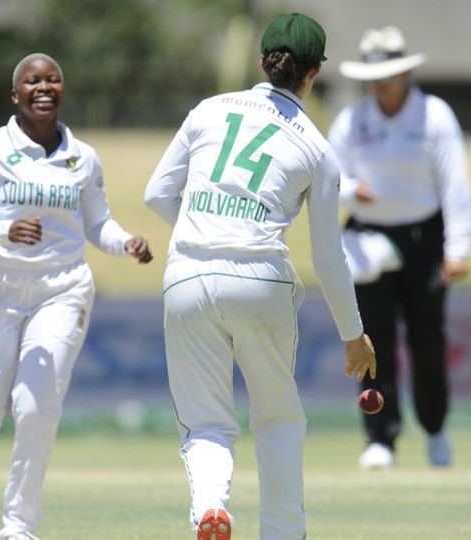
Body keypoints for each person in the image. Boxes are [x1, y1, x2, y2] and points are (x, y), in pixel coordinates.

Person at [145, 13, 376, 540]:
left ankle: (210, 507)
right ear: (314, 72)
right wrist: (354, 336)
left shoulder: (208, 110)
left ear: (261, 62)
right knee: (277, 419)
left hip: (187, 276)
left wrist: (205, 229)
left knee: (205, 422)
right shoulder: (318, 149)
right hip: (261, 279)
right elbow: (328, 257)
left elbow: (156, 194)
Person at [0, 52, 153, 539]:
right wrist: (4, 231)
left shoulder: (82, 156)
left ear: (63, 89)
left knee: (35, 406)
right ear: (15, 94)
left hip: (61, 291)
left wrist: (125, 242)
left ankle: (19, 525)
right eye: (31, 81)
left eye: (53, 80)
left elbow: (98, 224)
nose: (43, 88)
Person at [329, 26, 471, 469]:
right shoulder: (351, 121)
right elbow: (326, 179)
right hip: (367, 238)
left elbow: (455, 184)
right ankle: (380, 438)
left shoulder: (434, 116)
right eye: (373, 78)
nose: (381, 86)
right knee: (371, 342)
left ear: (404, 75)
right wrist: (355, 191)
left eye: (388, 77)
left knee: (428, 340)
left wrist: (459, 247)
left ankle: (435, 428)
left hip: (423, 239)